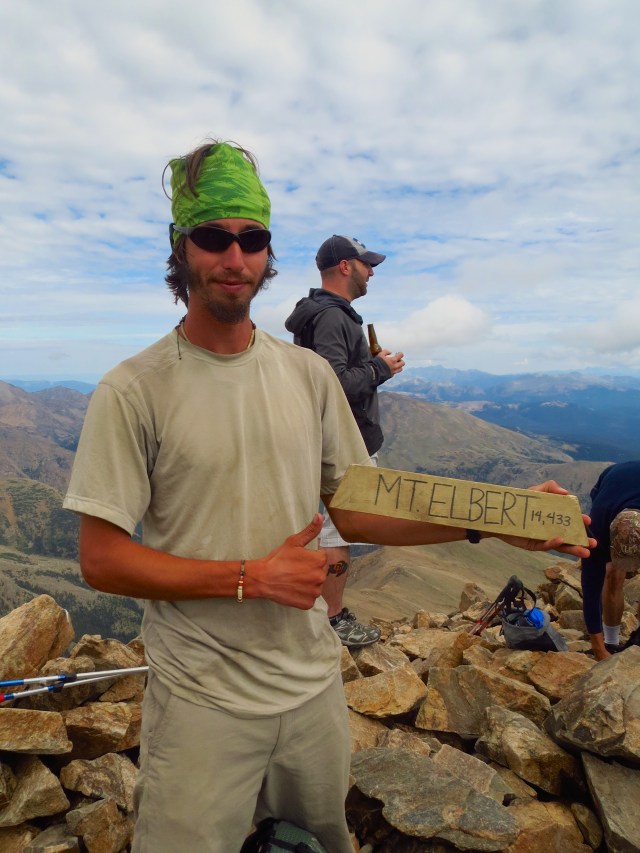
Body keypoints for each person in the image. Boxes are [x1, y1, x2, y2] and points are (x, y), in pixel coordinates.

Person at [63, 138, 594, 853]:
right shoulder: (133, 390)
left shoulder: (306, 377)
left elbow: (355, 506)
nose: (234, 255)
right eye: (214, 236)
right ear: (181, 248)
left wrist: (492, 522)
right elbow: (100, 558)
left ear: (267, 250)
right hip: (200, 702)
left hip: (312, 692)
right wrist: (251, 577)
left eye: (251, 238)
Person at [285, 236, 405, 646]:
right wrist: (380, 369)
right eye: (366, 264)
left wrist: (371, 366)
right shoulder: (333, 317)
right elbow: (333, 381)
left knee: (325, 528)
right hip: (344, 441)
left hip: (323, 436)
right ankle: (333, 620)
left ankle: (321, 613)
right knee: (339, 532)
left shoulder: (319, 315)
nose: (371, 271)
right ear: (344, 267)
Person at [581, 461, 640, 660]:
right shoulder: (598, 527)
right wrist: (599, 650)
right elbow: (590, 588)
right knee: (612, 573)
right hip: (611, 485)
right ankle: (611, 641)